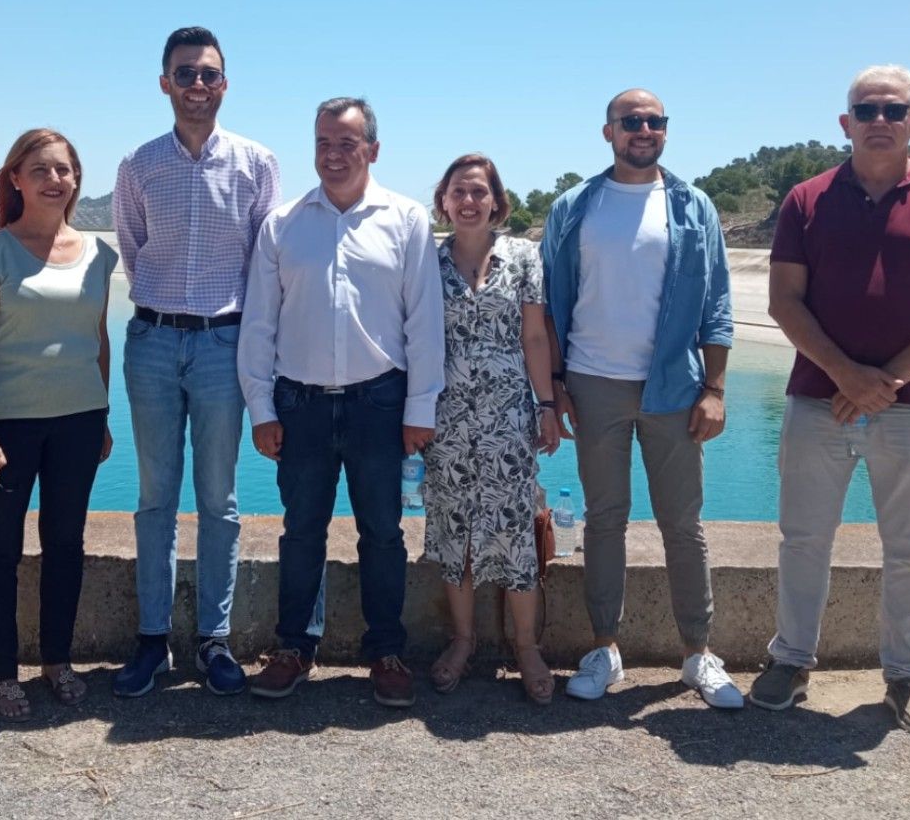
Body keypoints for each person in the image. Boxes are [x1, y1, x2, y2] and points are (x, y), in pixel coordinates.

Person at [748, 65, 910, 736]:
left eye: (893, 109)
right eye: (867, 109)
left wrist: (884, 382)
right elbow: (783, 301)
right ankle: (790, 660)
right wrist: (844, 375)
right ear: (845, 122)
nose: (880, 119)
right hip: (816, 401)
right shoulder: (806, 199)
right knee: (802, 541)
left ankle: (906, 675)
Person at [239, 97, 445, 708]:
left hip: (379, 402)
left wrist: (420, 410)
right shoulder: (282, 224)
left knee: (383, 532)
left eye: (346, 144)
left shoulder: (406, 219)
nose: (333, 155)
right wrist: (261, 409)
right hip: (298, 403)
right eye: (323, 143)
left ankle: (386, 651)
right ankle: (294, 648)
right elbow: (259, 325)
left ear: (372, 150)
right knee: (301, 531)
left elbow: (423, 322)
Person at [540, 89, 741, 709]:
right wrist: (555, 385)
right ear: (609, 132)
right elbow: (551, 303)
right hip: (593, 384)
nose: (644, 130)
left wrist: (714, 388)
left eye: (655, 121)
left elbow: (717, 303)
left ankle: (698, 652)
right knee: (605, 520)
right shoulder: (576, 206)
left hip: (675, 387)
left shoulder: (692, 206)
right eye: (631, 121)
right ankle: (604, 648)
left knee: (683, 524)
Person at [111, 26, 281, 697]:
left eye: (208, 74)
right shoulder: (138, 165)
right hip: (153, 341)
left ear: (225, 84)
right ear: (165, 83)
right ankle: (152, 639)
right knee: (155, 497)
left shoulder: (256, 163)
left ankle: (214, 639)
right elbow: (133, 251)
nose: (198, 86)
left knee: (219, 499)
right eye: (185, 74)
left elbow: (263, 265)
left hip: (222, 346)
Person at [0, 129, 117, 719]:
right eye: (41, 170)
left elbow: (99, 340)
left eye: (64, 170)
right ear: (16, 179)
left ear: (76, 180)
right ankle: (1, 675)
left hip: (79, 421)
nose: (55, 180)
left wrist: (103, 415)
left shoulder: (100, 255)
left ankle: (57, 660)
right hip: (9, 428)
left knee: (66, 544)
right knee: (0, 550)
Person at [423, 154, 561, 704]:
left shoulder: (524, 257)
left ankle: (526, 647)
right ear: (444, 201)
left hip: (509, 418)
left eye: (479, 191)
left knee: (514, 529)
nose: (469, 201)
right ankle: (463, 639)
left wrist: (546, 405)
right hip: (446, 418)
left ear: (496, 201)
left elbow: (535, 337)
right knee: (453, 527)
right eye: (459, 191)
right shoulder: (427, 261)